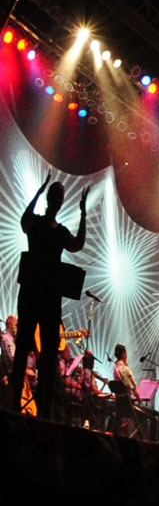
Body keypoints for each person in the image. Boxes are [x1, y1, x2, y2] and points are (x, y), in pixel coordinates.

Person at [8, 174, 88, 418]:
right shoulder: (41, 225)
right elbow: (25, 221)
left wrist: (83, 214)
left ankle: (43, 406)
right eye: (56, 196)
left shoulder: (56, 230)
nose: (58, 200)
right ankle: (20, 403)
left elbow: (77, 244)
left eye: (59, 196)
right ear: (54, 200)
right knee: (25, 348)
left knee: (48, 353)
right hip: (38, 292)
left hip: (42, 293)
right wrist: (39, 192)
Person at [112, 343, 141, 436]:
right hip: (127, 405)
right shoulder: (125, 369)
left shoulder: (115, 368)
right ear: (124, 354)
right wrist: (140, 399)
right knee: (154, 416)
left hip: (119, 403)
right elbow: (134, 389)